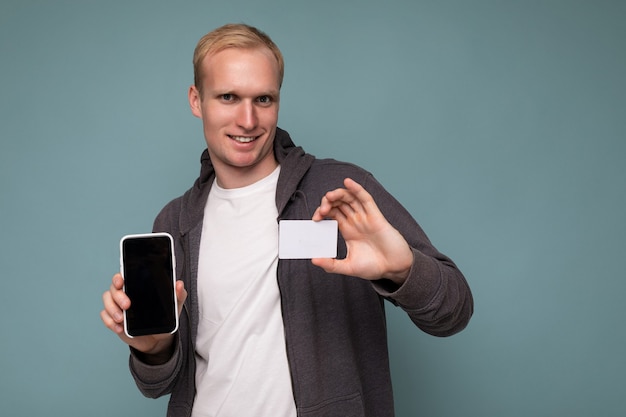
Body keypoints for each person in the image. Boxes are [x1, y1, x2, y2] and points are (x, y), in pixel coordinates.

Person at [101, 23, 473, 417]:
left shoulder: (340, 192)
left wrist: (403, 271)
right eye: (228, 97)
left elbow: (453, 312)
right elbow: (157, 385)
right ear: (197, 100)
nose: (248, 120)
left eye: (263, 99)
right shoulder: (176, 221)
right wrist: (153, 347)